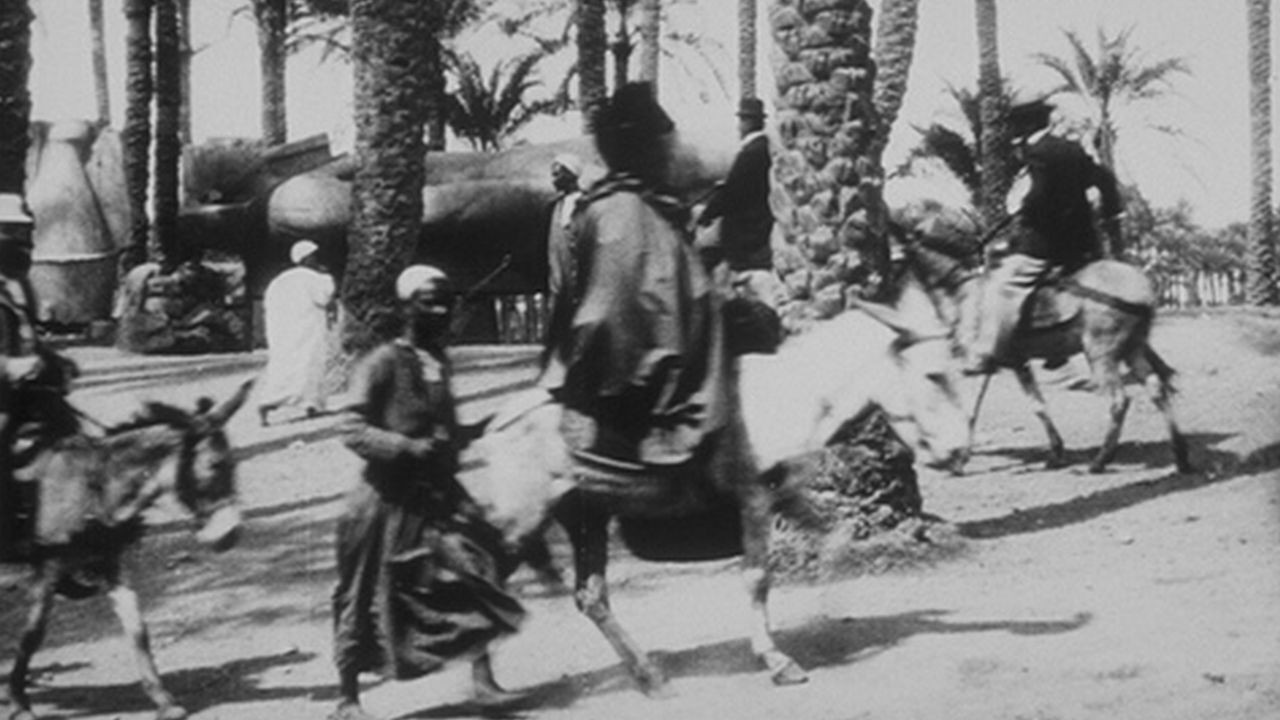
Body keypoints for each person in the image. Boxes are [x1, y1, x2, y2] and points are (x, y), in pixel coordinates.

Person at [330, 265, 526, 720]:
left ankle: (484, 683)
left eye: (444, 302)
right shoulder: (380, 362)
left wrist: (477, 430)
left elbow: (446, 430)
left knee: (481, 568)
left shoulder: (440, 360)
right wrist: (405, 446)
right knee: (362, 594)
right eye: (428, 301)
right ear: (406, 307)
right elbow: (351, 428)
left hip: (439, 494)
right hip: (385, 499)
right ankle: (347, 698)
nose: (438, 310)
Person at [550, 81, 730, 469]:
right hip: (638, 392)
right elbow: (612, 310)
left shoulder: (651, 207)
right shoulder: (622, 212)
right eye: (661, 143)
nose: (671, 151)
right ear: (641, 149)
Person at [965, 98, 1124, 375]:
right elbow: (1106, 179)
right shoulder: (1073, 150)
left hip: (1046, 243)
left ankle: (991, 353)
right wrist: (1110, 214)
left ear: (1026, 125)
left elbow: (1040, 197)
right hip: (1084, 244)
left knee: (1000, 285)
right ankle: (1054, 345)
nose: (1011, 131)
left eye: (1015, 125)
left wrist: (1024, 211)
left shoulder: (1038, 152)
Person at [0, 194, 75, 561]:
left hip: (19, 392)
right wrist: (10, 367)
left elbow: (26, 338)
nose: (22, 245)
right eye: (11, 236)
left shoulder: (14, 290)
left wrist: (51, 358)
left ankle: (57, 521)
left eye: (23, 235)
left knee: (65, 427)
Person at [257, 239, 335, 426]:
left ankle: (270, 404)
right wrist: (327, 277)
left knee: (283, 367)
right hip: (307, 330)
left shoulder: (280, 280)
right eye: (313, 256)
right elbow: (324, 298)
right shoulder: (312, 277)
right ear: (306, 258)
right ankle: (310, 404)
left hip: (284, 333)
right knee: (309, 365)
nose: (316, 260)